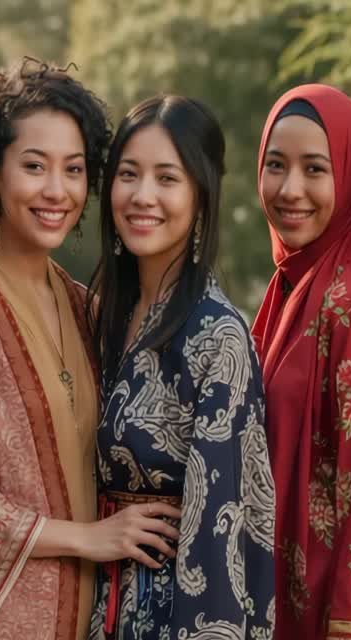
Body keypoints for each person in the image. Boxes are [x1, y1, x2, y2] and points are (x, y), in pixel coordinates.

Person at [0, 60, 179, 640]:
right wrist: (85, 537)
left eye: (74, 170)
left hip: (99, 614)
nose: (57, 191)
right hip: (15, 617)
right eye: (34, 167)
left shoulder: (85, 304)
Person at [89, 95, 274, 639]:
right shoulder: (99, 314)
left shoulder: (219, 336)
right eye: (129, 174)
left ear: (200, 196)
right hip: (93, 604)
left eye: (166, 178)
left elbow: (226, 528)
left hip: (172, 614)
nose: (143, 196)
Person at [252, 84, 351, 640]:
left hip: (323, 614)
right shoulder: (293, 286)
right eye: (276, 165)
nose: (290, 189)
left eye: (315, 169)